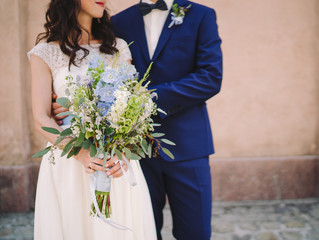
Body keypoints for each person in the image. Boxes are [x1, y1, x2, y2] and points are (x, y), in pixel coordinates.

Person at [28, 0, 157, 239]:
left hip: (114, 159)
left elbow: (129, 106)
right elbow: (40, 116)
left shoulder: (117, 48)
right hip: (69, 159)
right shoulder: (45, 53)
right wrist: (78, 152)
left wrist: (122, 151)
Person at [111, 0, 223, 239]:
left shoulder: (201, 16)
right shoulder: (118, 22)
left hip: (189, 145)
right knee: (143, 232)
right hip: (135, 149)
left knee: (196, 233)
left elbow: (210, 77)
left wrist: (151, 98)